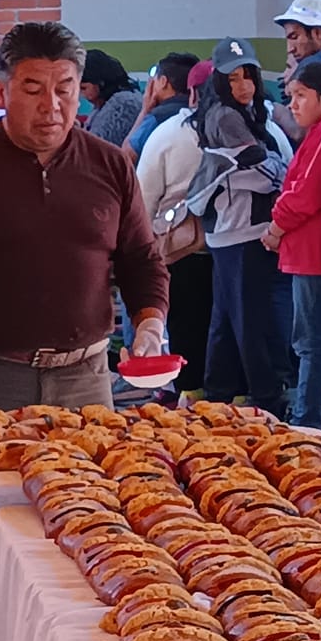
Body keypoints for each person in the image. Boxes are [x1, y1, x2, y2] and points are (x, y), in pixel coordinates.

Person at [0, 22, 170, 414]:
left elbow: (142, 261)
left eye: (64, 90)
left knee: (85, 476)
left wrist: (150, 324)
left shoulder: (110, 164)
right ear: (2, 92)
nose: (51, 105)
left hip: (86, 379)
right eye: (33, 90)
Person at [188, 39, 292, 418]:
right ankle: (266, 397)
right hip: (241, 230)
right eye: (233, 78)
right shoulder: (226, 116)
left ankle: (219, 393)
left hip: (233, 231)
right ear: (219, 81)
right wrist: (284, 174)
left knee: (229, 317)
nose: (243, 85)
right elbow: (257, 165)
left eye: (248, 75)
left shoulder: (246, 111)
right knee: (249, 318)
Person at [264, 60, 321, 426]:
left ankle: (309, 419)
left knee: (312, 344)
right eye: (291, 97)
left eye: (301, 95)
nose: (294, 105)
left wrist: (275, 228)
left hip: (316, 254)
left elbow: (305, 192)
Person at [136, 60, 216, 396]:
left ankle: (189, 392)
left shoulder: (169, 132)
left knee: (186, 324)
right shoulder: (263, 126)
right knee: (228, 327)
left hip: (181, 249)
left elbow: (143, 196)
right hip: (242, 249)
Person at [126, 52, 199, 156]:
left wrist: (144, 110)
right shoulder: (203, 111)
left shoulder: (157, 117)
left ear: (163, 81)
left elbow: (126, 155)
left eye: (154, 78)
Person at [79, 49, 144, 151]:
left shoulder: (123, 105)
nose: (80, 95)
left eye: (83, 88)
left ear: (101, 83)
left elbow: (96, 150)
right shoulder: (105, 105)